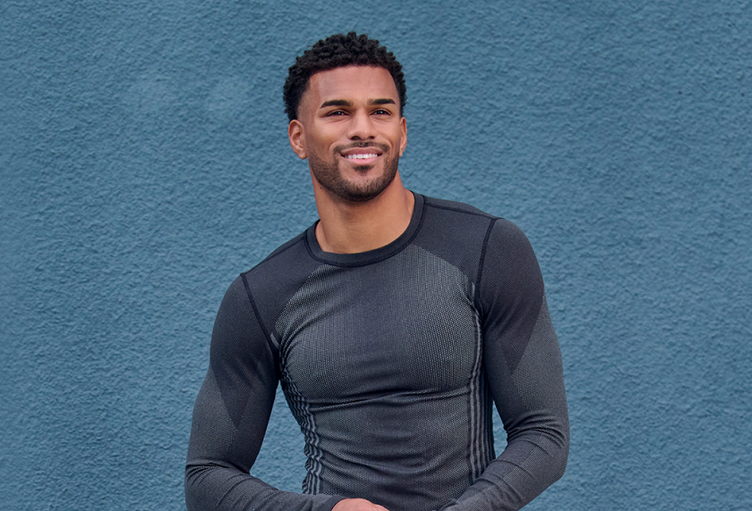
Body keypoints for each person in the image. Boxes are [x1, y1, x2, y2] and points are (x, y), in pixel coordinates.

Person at [184, 32, 569, 511]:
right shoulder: (260, 297)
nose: (362, 128)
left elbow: (543, 434)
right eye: (337, 112)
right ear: (298, 137)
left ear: (402, 133)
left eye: (380, 111)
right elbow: (207, 476)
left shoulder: (487, 248)